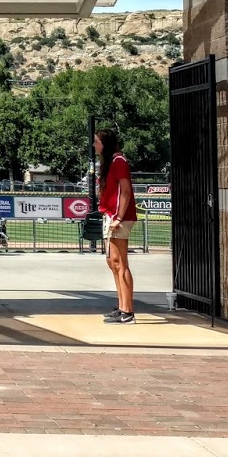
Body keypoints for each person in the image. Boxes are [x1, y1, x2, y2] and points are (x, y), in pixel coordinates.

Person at [98, 128, 138, 324]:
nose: (95, 145)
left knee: (121, 263)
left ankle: (128, 311)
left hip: (118, 217)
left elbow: (125, 191)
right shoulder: (111, 163)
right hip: (110, 215)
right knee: (113, 262)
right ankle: (122, 306)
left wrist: (119, 217)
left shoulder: (119, 162)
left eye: (97, 142)